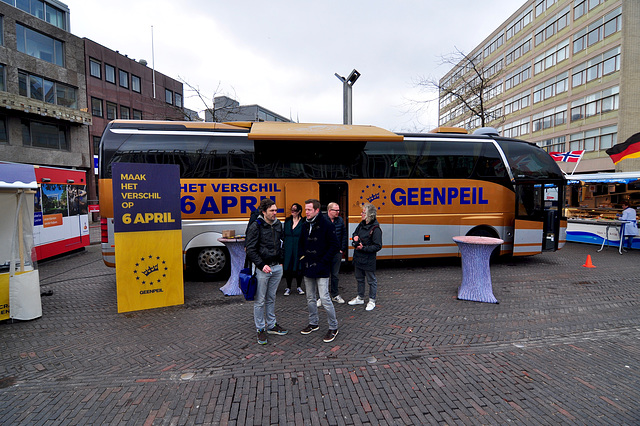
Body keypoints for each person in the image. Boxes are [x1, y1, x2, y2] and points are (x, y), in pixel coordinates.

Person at [245, 198, 288, 345]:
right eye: (272, 211)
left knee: (271, 297)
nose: (275, 213)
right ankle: (260, 329)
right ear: (264, 212)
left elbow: (282, 243)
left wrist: (281, 262)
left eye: (276, 210)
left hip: (276, 267)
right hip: (263, 269)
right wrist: (261, 265)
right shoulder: (256, 226)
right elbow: (250, 249)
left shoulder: (278, 225)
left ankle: (272, 325)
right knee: (260, 300)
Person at [298, 199, 340, 343]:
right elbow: (301, 244)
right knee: (310, 298)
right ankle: (313, 323)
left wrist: (323, 261)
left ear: (316, 210)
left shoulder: (327, 224)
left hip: (321, 267)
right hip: (308, 266)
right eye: (305, 209)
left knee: (325, 298)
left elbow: (334, 245)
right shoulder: (304, 225)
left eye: (309, 209)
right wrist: (302, 258)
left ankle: (333, 327)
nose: (306, 212)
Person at [348, 203, 383, 311]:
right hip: (358, 257)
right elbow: (354, 234)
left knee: (371, 280)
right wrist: (355, 238)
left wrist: (363, 248)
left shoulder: (376, 229)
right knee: (359, 278)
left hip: (368, 259)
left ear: (369, 214)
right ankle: (360, 297)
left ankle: (372, 300)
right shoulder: (362, 224)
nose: (361, 214)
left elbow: (377, 246)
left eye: (363, 212)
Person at [282, 203, 305, 296]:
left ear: (299, 211)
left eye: (295, 210)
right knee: (288, 267)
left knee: (299, 267)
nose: (292, 212)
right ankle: (288, 287)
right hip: (288, 247)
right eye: (291, 210)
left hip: (298, 246)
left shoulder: (303, 222)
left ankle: (299, 286)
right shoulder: (287, 221)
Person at [327, 202, 347, 304]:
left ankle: (335, 295)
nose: (338, 212)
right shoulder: (323, 220)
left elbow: (344, 235)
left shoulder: (340, 220)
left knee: (335, 275)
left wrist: (342, 249)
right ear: (330, 210)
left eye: (338, 210)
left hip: (336, 252)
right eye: (336, 210)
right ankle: (323, 296)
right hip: (326, 253)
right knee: (324, 275)